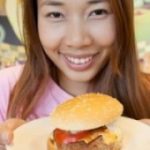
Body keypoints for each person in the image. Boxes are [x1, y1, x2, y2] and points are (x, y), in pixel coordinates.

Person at [0, 0, 150, 148]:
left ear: (122, 17)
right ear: (35, 19)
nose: (77, 40)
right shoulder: (5, 89)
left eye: (97, 12)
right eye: (55, 14)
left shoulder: (146, 93)